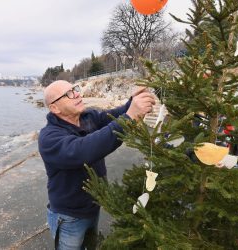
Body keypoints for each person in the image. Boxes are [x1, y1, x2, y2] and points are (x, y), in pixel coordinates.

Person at [38, 80, 155, 250]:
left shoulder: (88, 116)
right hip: (69, 216)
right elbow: (84, 151)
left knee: (91, 245)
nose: (77, 94)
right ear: (54, 108)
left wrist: (134, 100)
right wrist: (130, 117)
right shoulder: (49, 138)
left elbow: (115, 115)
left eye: (75, 89)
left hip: (93, 205)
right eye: (68, 94)